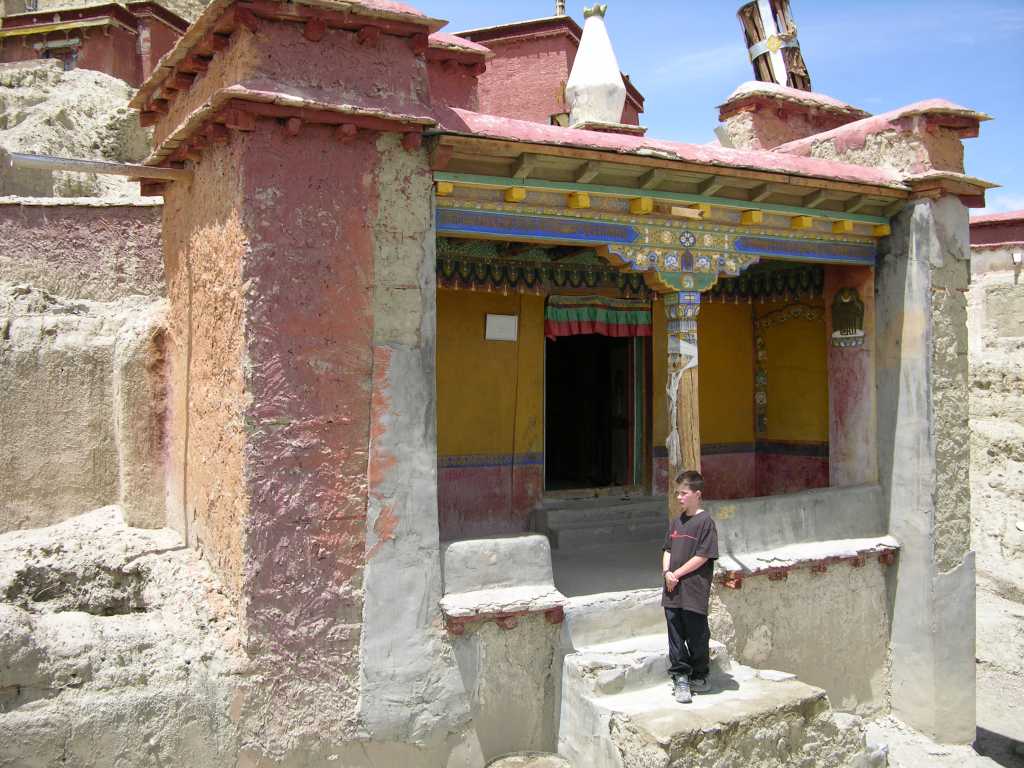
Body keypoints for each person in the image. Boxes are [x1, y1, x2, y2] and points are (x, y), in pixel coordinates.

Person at [662, 470, 719, 704]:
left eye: (683, 493)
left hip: (693, 589)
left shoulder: (705, 522)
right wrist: (666, 573)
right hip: (672, 588)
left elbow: (703, 556)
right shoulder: (676, 522)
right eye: (677, 494)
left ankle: (700, 673)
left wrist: (677, 573)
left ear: (697, 494)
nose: (679, 498)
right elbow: (667, 549)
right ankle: (680, 676)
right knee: (675, 634)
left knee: (697, 634)